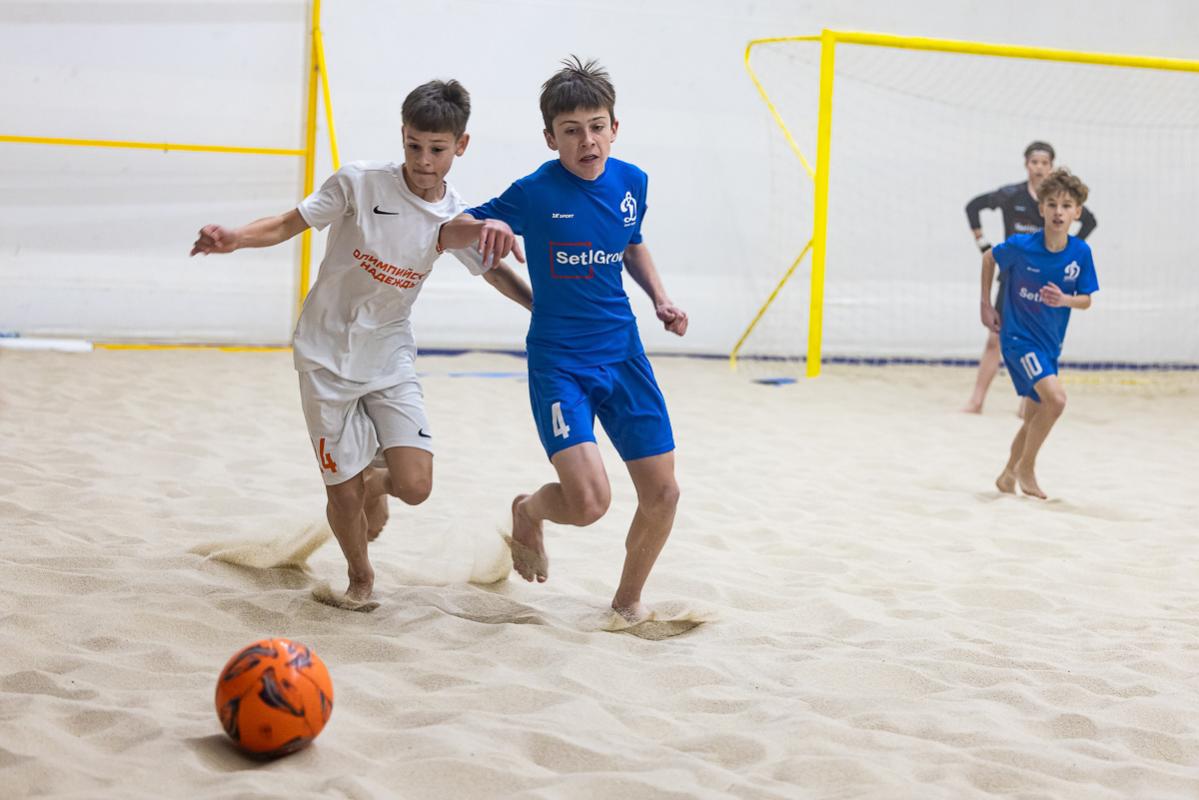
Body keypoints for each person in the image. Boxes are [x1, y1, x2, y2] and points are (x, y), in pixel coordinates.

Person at [190, 80, 530, 607]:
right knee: (342, 494)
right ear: (402, 135)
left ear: (461, 146)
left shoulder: (456, 216)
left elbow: (492, 268)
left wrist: (541, 308)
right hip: (323, 352)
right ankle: (360, 577)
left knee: (416, 486)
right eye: (414, 145)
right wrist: (235, 238)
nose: (423, 160)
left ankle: (375, 481)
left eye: (437, 149)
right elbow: (287, 223)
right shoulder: (359, 183)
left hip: (388, 353)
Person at [442, 56, 687, 622]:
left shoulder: (632, 181)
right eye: (572, 131)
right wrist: (485, 225)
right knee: (589, 502)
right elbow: (447, 232)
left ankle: (626, 604)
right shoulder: (534, 192)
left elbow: (631, 242)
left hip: (623, 355)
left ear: (614, 128)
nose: (587, 141)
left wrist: (660, 298)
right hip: (560, 364)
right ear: (551, 138)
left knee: (664, 495)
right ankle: (528, 510)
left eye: (597, 127)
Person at [980, 168, 1097, 499]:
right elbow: (989, 258)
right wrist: (986, 305)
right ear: (1041, 209)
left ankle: (1007, 475)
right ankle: (1027, 468)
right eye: (1052, 204)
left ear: (1077, 212)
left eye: (1066, 206)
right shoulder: (1022, 246)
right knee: (1056, 400)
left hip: (1049, 345)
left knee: (1034, 416)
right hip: (1018, 339)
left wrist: (1065, 300)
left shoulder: (1080, 253)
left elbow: (1086, 300)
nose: (1058, 212)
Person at [963, 141, 1097, 413]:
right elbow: (973, 207)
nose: (1039, 167)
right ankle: (977, 401)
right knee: (994, 338)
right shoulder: (1011, 195)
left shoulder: (1062, 203)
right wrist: (982, 243)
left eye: (1044, 163)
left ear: (1051, 166)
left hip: (1047, 283)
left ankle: (1028, 404)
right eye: (1034, 162)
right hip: (1014, 278)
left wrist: (1067, 251)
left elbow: (1090, 221)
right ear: (1026, 165)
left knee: (1040, 341)